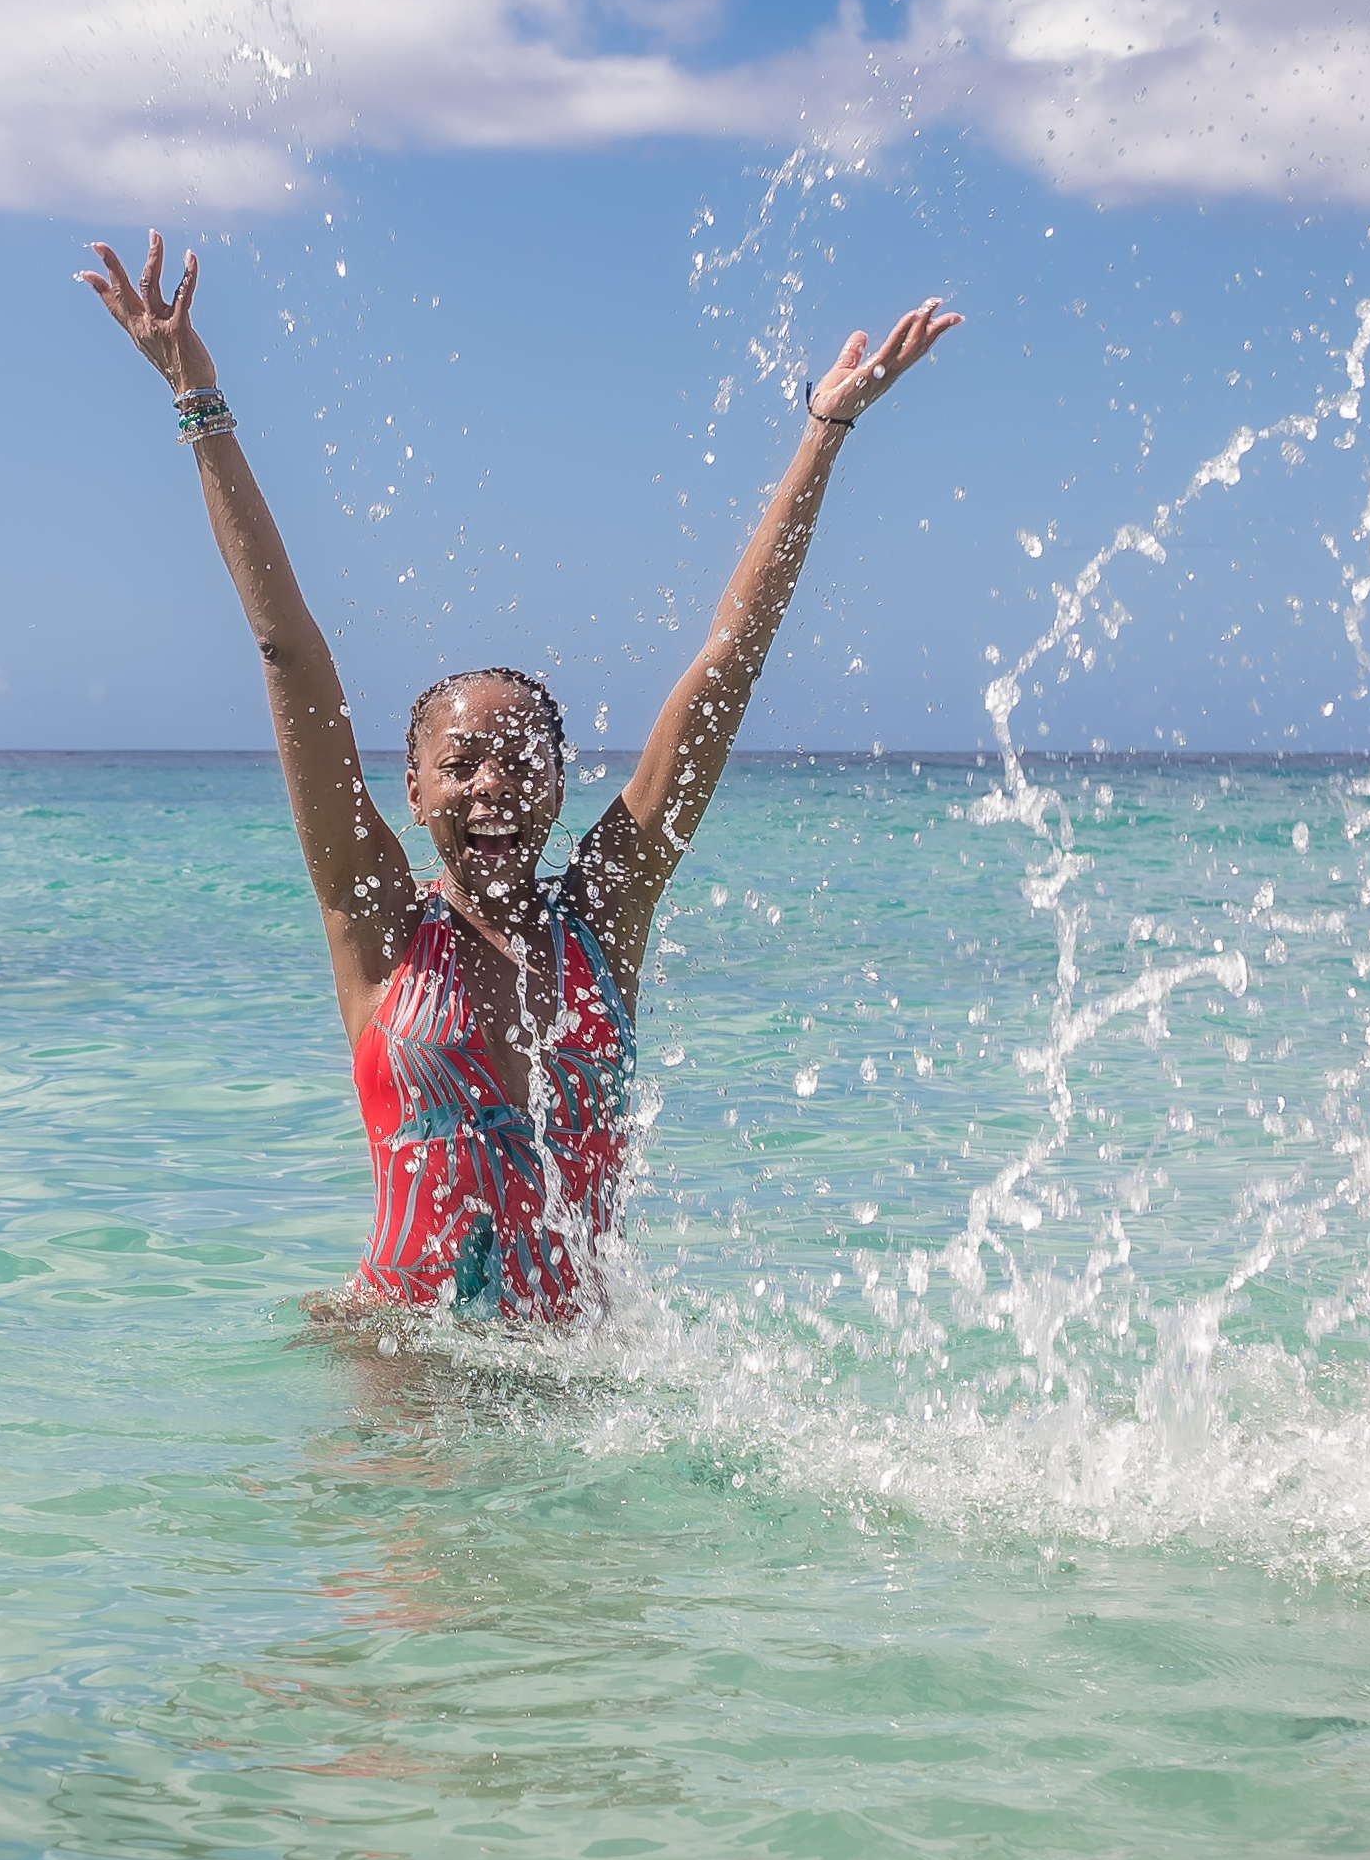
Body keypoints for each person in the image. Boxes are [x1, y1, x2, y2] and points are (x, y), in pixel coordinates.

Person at [82, 235, 959, 1325]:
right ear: (411, 792)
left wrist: (824, 430)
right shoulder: (380, 927)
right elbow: (287, 651)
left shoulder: (606, 908)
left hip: (581, 1371)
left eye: (522, 759)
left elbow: (727, 661)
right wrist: (197, 400)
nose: (494, 781)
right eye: (461, 763)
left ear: (559, 786)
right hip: (398, 1361)